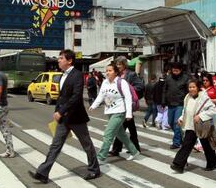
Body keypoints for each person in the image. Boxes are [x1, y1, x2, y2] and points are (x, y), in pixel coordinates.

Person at [29, 49, 100, 183]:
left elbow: (76, 97)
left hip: (76, 117)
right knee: (55, 145)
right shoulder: (62, 75)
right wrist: (57, 112)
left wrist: (61, 111)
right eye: (59, 58)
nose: (58, 60)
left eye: (61, 58)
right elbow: (62, 97)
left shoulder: (77, 75)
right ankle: (43, 173)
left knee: (87, 144)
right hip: (63, 119)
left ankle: (94, 169)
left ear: (69, 60)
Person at [89, 63, 140, 163]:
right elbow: (101, 95)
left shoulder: (122, 82)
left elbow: (128, 98)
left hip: (119, 112)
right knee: (121, 134)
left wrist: (129, 113)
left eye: (110, 71)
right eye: (106, 71)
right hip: (109, 111)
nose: (107, 72)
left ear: (116, 72)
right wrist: (93, 105)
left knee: (108, 134)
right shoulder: (105, 82)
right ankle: (134, 151)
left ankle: (100, 157)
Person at [170, 79, 216, 173]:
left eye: (193, 87)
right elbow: (185, 110)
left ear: (198, 87)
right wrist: (181, 118)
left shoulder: (203, 97)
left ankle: (211, 164)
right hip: (191, 125)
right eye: (190, 87)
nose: (191, 89)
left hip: (202, 125)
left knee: (207, 145)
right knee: (186, 145)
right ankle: (178, 165)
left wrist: (200, 116)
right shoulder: (187, 97)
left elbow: (213, 110)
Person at [108, 56, 143, 156]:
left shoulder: (131, 75)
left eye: (120, 64)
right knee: (129, 127)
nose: (118, 66)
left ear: (124, 65)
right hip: (118, 104)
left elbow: (140, 86)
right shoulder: (116, 75)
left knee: (120, 126)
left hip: (127, 104)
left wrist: (128, 89)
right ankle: (135, 148)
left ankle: (116, 149)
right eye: (117, 64)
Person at [163, 62, 189, 149]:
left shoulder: (185, 78)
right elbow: (164, 89)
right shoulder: (168, 77)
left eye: (177, 71)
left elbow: (189, 91)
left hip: (180, 104)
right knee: (170, 122)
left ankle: (176, 142)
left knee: (176, 123)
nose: (175, 72)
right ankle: (181, 138)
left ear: (180, 70)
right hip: (170, 103)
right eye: (173, 70)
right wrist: (163, 101)